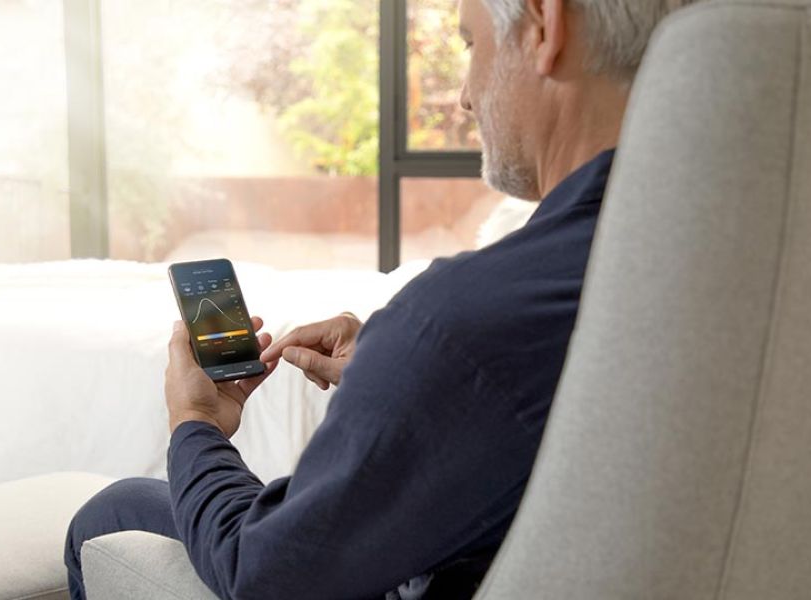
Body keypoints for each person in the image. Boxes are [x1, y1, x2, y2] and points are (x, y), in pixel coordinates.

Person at [65, 0, 697, 598]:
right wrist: (394, 363)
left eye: (471, 43)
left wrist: (195, 423)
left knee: (108, 514)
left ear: (542, 25)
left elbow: (258, 572)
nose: (465, 95)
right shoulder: (703, 259)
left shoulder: (464, 319)